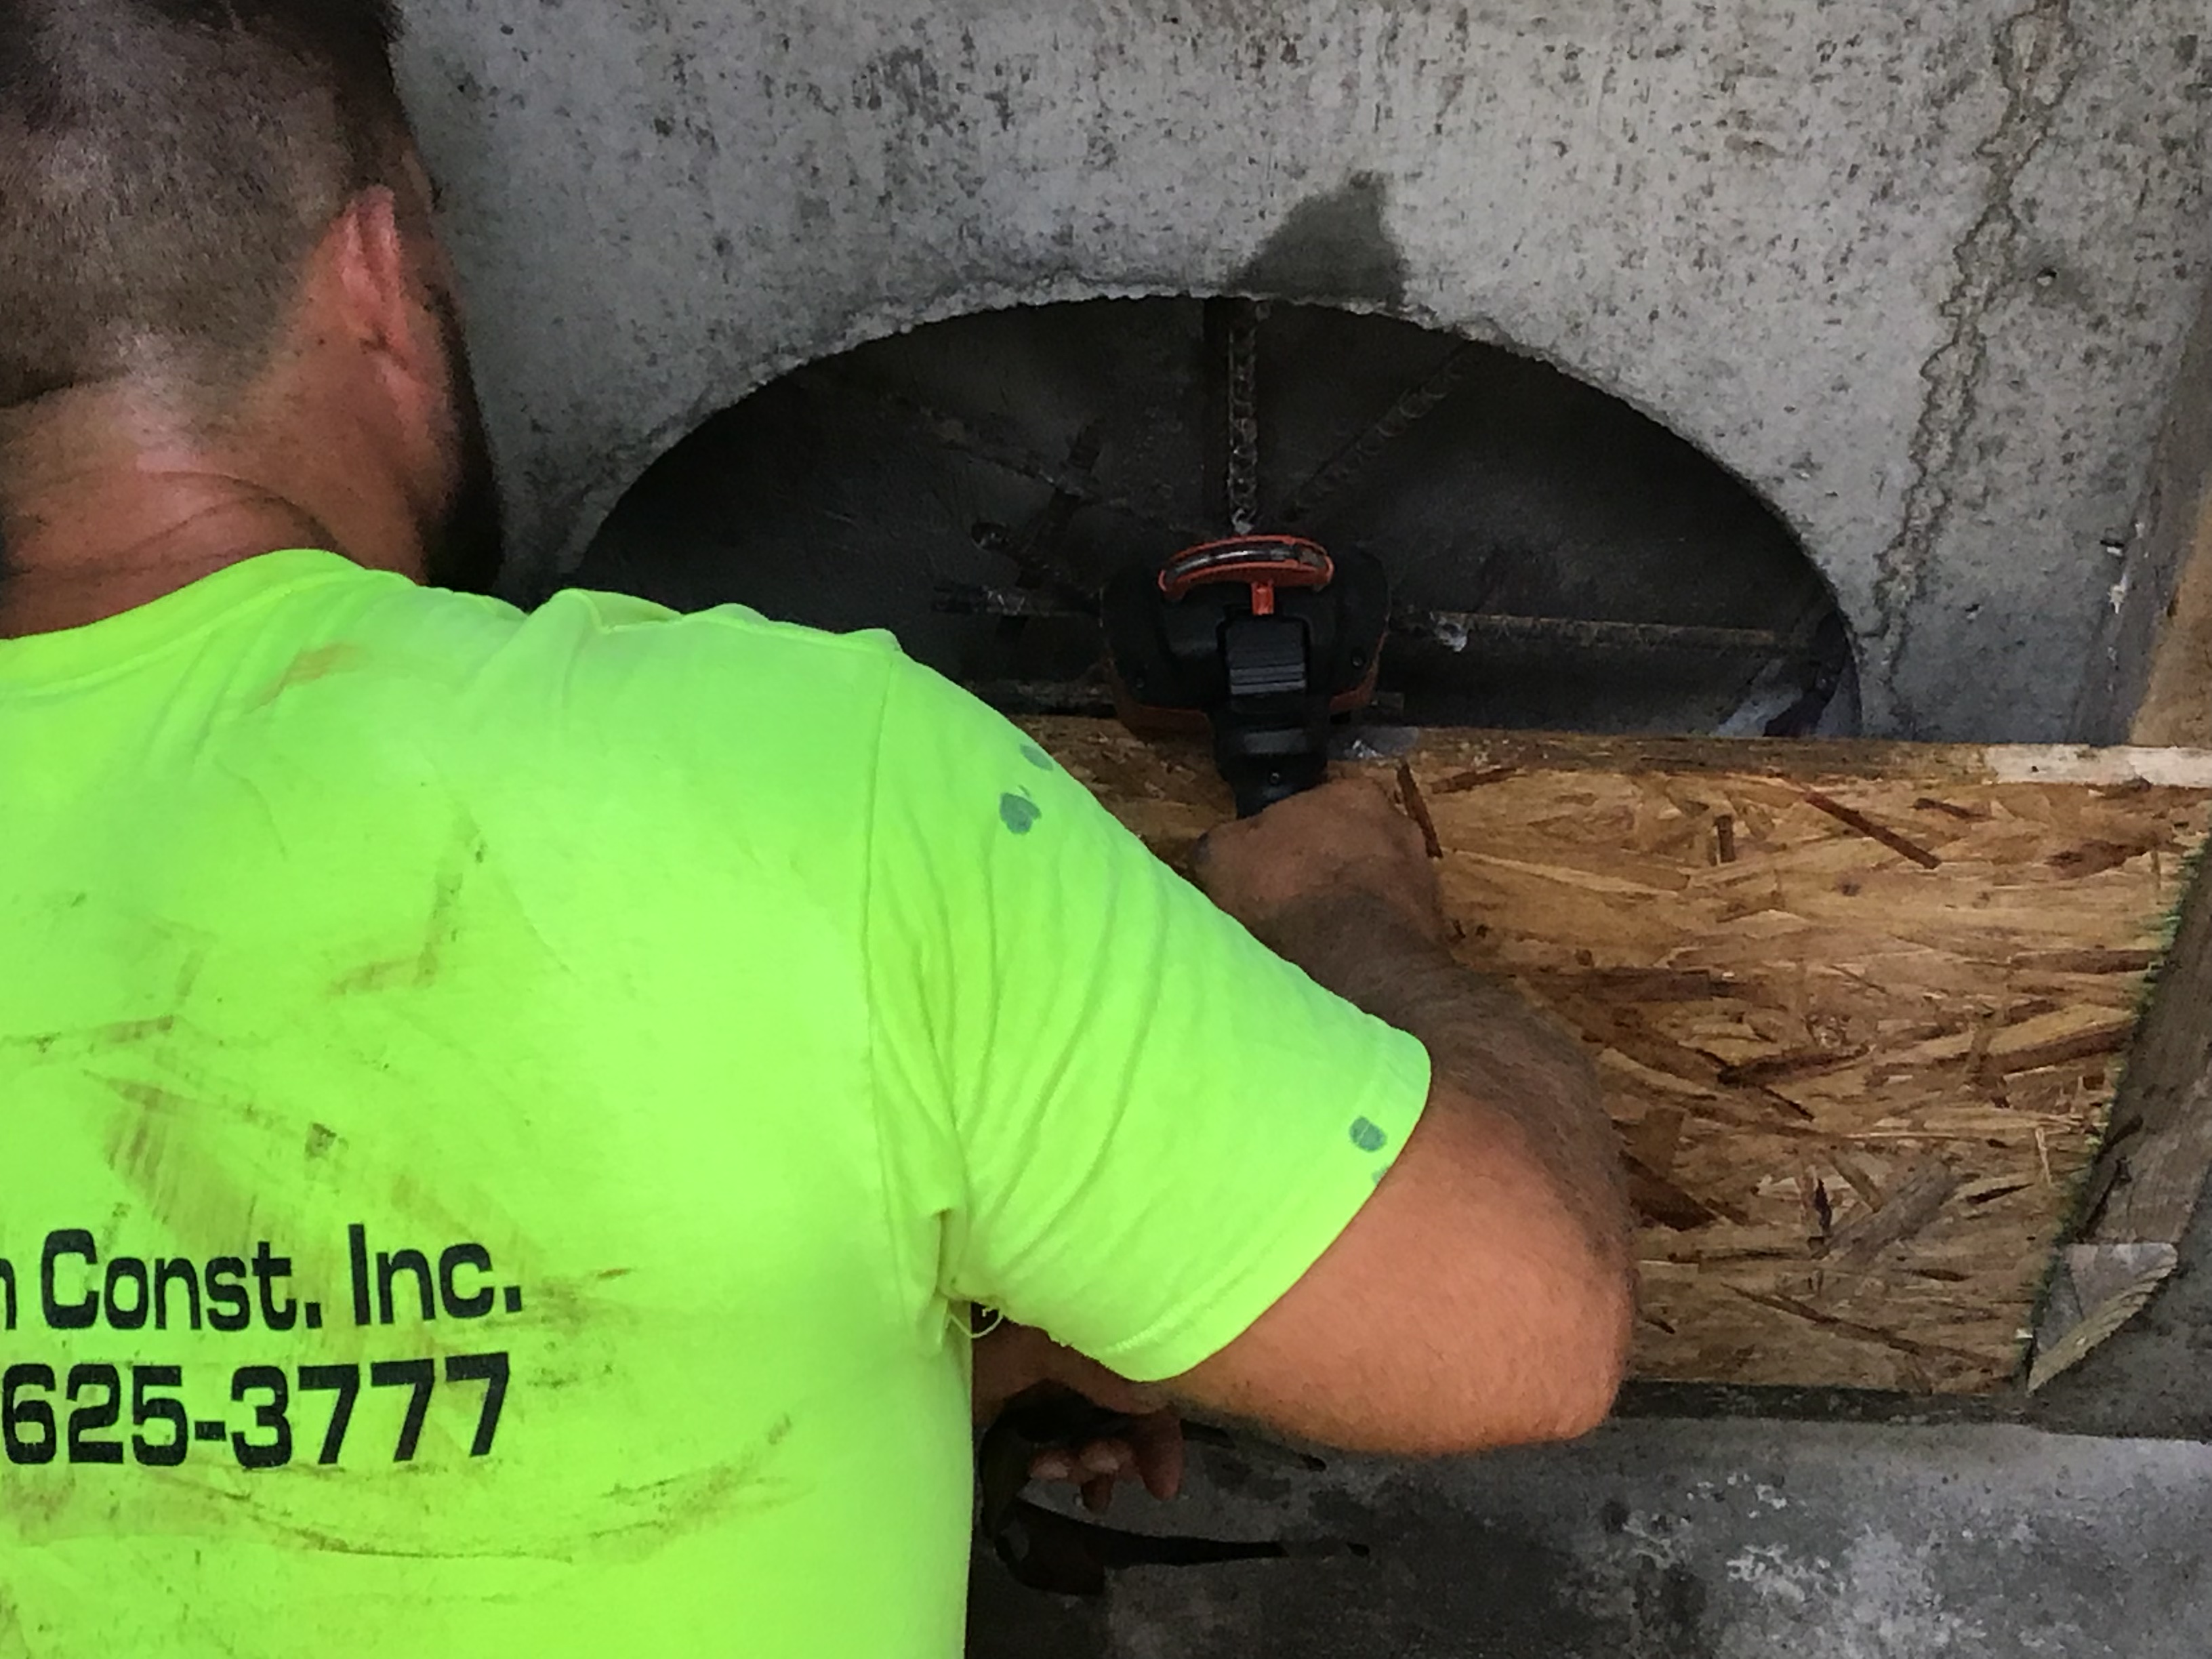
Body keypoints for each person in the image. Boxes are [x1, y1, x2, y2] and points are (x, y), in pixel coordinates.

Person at [0, 2, 1635, 1654]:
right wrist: (1343, 919)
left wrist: (956, 1355)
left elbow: (268, 1410)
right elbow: (1523, 1320)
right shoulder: (779, 781)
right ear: (373, 276)